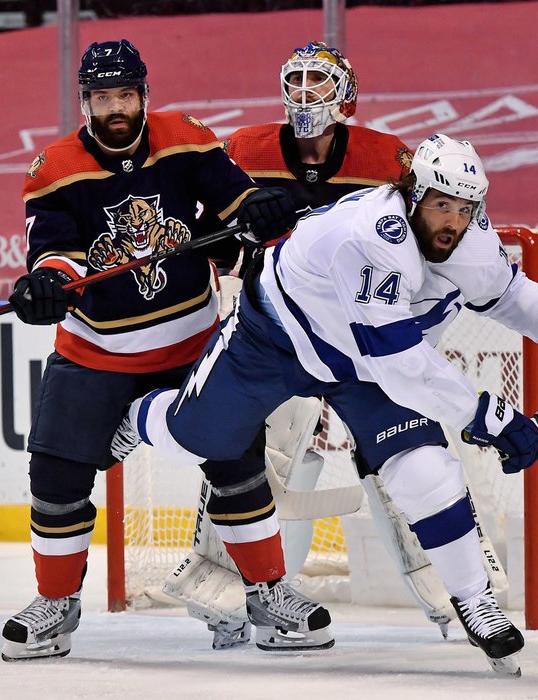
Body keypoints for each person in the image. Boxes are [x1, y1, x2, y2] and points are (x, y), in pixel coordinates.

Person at [111, 133, 538, 675]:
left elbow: (505, 293)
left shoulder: (469, 235)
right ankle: (136, 417)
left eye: (463, 208)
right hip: (276, 339)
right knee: (198, 438)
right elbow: (401, 364)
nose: (451, 221)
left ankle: (476, 601)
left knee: (427, 472)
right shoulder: (372, 239)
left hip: (359, 366)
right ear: (411, 196)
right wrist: (488, 416)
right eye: (439, 205)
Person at [0, 38, 331, 662]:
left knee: (237, 461)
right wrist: (49, 283)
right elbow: (54, 250)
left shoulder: (186, 138)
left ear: (144, 97)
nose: (115, 108)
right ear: (86, 102)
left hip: (192, 345)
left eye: (125, 95)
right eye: (102, 98)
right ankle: (56, 605)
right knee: (56, 472)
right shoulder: (54, 168)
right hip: (96, 352)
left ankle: (268, 592)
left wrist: (254, 208)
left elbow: (232, 200)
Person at [170, 41, 473, 651]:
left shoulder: (389, 157)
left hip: (363, 336)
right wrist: (242, 240)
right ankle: (231, 591)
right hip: (276, 330)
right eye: (297, 79)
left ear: (347, 94)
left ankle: (455, 596)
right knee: (262, 448)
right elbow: (208, 234)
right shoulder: (244, 151)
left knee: (399, 449)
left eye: (319, 80)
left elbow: (432, 237)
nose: (306, 92)